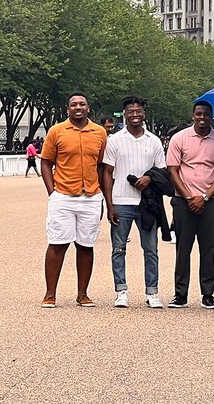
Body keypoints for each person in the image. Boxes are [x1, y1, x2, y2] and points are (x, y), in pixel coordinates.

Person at [39, 92, 107, 307]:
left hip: (91, 196)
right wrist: (53, 192)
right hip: (63, 196)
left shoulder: (100, 132)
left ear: (88, 107)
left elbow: (102, 166)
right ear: (68, 109)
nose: (78, 107)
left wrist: (104, 198)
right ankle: (50, 294)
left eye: (82, 104)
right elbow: (46, 162)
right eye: (73, 104)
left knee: (86, 245)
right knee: (57, 244)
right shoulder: (56, 131)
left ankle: (82, 294)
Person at [102, 95, 169, 309]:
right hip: (121, 200)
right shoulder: (114, 140)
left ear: (144, 114)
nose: (135, 114)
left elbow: (163, 169)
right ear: (125, 114)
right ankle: (121, 290)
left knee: (151, 249)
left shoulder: (154, 140)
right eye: (130, 111)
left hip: (147, 203)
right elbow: (107, 172)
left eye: (138, 111)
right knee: (118, 248)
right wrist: (110, 203)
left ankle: (152, 292)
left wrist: (149, 177)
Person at [166, 101, 214, 309]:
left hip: (210, 201)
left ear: (212, 117)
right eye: (199, 114)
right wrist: (188, 197)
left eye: (206, 115)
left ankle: (208, 293)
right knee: (182, 248)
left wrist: (203, 197)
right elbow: (173, 170)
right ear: (193, 115)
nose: (202, 118)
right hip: (183, 200)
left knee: (208, 247)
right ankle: (180, 293)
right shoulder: (180, 138)